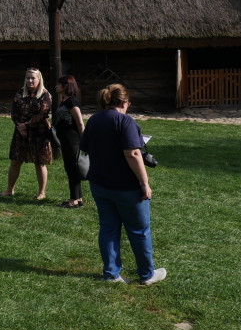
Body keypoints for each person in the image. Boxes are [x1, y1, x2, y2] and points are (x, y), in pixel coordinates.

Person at [80, 84, 167, 286]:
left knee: (108, 228)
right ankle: (147, 274)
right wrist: (144, 183)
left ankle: (111, 274)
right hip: (126, 186)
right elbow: (133, 153)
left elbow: (85, 147)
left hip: (100, 184)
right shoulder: (125, 121)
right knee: (139, 230)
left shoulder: (94, 119)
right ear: (125, 102)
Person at [1, 67, 53, 200]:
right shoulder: (20, 93)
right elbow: (14, 112)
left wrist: (27, 125)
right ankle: (10, 189)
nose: (30, 80)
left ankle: (42, 193)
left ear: (39, 79)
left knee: (39, 162)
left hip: (39, 132)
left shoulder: (45, 94)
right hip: (20, 132)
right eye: (28, 78)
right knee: (15, 161)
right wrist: (20, 126)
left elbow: (43, 114)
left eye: (33, 78)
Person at [55, 74, 86, 208]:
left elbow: (79, 123)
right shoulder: (64, 101)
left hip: (72, 140)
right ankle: (78, 198)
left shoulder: (72, 101)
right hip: (65, 140)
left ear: (66, 86)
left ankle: (73, 200)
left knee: (71, 168)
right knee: (71, 168)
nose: (56, 86)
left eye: (58, 84)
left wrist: (85, 140)